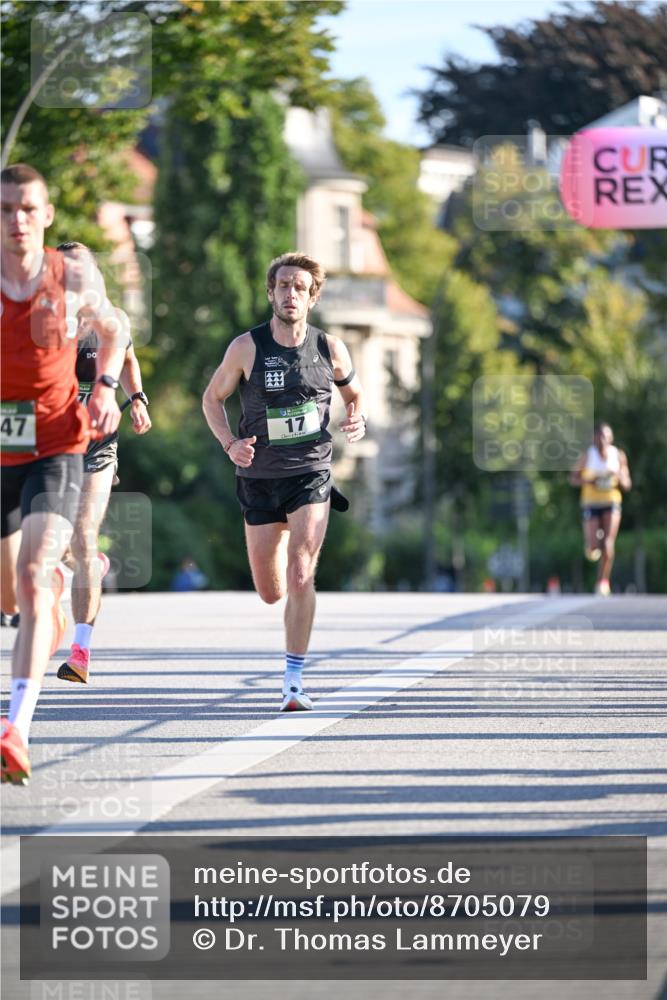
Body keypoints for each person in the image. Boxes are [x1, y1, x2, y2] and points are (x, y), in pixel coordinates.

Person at [0, 163, 124, 784]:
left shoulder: (70, 275)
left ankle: (16, 728)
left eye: (28, 209)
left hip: (55, 446)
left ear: (46, 215)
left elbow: (116, 326)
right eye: (5, 210)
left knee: (31, 573)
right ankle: (48, 620)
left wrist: (105, 387)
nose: (17, 220)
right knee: (8, 591)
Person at [202, 252, 366, 711]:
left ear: (312, 297)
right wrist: (230, 443)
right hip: (258, 477)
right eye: (283, 286)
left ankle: (293, 679)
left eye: (299, 287)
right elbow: (212, 400)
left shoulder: (330, 348)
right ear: (271, 293)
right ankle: (277, 559)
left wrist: (357, 417)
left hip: (310, 472)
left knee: (301, 571)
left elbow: (354, 394)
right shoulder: (246, 347)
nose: (290, 294)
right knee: (271, 589)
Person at [56, 242, 152, 684]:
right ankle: (88, 564)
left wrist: (137, 399)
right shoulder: (40, 322)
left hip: (97, 447)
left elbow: (129, 361)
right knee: (58, 549)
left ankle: (80, 652)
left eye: (83, 270)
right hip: (51, 446)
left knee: (83, 537)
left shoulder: (112, 319)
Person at [569, 422, 632, 595]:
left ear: (610, 438)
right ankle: (593, 541)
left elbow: (627, 484)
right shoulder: (587, 456)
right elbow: (572, 478)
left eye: (605, 436)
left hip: (611, 501)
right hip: (591, 503)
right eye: (598, 437)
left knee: (608, 542)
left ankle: (603, 581)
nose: (601, 440)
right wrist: (589, 481)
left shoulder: (618, 456)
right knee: (593, 547)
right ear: (593, 439)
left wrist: (618, 476)